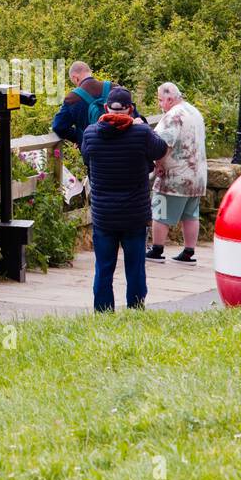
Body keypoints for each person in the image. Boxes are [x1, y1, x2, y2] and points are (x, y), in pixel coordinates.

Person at [81, 86, 167, 312]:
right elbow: (161, 149)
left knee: (103, 268)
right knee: (135, 267)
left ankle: (103, 311)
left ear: (106, 107)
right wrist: (142, 125)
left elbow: (87, 160)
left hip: (104, 215)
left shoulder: (90, 133)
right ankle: (136, 309)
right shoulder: (141, 133)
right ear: (130, 109)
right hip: (134, 215)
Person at [146, 82, 207, 263]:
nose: (160, 104)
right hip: (197, 175)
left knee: (160, 209)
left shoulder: (174, 116)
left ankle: (157, 249)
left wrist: (158, 164)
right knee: (191, 214)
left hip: (176, 175)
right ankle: (189, 252)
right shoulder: (194, 111)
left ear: (170, 99)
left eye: (160, 100)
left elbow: (162, 144)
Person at [52, 61, 141, 146]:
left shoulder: (72, 98)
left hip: (94, 153)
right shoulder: (115, 88)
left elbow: (58, 127)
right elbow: (136, 116)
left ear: (75, 78)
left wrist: (79, 138)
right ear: (90, 72)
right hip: (126, 146)